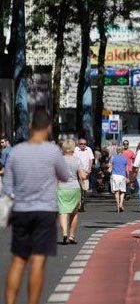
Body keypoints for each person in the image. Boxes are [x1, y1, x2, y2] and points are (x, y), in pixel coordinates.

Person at [2, 110, 69, 304]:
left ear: (31, 126)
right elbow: (64, 175)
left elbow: (7, 186)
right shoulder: (52, 151)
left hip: (21, 210)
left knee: (18, 259)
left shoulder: (16, 151)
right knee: (38, 261)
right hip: (45, 211)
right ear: (48, 128)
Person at [58, 139, 87, 245]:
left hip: (62, 187)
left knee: (63, 212)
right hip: (74, 188)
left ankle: (64, 233)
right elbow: (83, 176)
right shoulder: (77, 160)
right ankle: (72, 236)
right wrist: (86, 173)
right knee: (74, 213)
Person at [73, 138, 94, 211]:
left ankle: (82, 199)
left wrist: (89, 169)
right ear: (78, 144)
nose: (83, 145)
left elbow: (91, 159)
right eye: (81, 144)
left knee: (85, 188)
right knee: (78, 188)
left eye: (85, 144)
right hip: (77, 171)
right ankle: (80, 204)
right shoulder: (75, 149)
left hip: (85, 172)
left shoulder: (89, 149)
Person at [110, 147, 129, 212]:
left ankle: (118, 205)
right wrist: (127, 177)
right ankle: (121, 204)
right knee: (123, 191)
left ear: (116, 151)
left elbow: (109, 165)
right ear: (122, 151)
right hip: (122, 175)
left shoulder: (113, 157)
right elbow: (126, 169)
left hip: (115, 175)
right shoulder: (125, 158)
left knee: (116, 191)